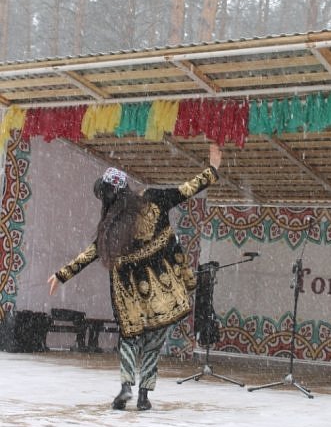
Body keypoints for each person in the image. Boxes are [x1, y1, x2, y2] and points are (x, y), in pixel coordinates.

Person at [48, 143, 222, 411]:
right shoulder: (152, 198)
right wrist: (211, 170)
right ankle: (144, 395)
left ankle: (125, 387)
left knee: (130, 340)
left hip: (129, 294)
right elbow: (186, 190)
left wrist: (62, 275)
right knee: (153, 344)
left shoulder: (111, 225)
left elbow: (91, 253)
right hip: (162, 289)